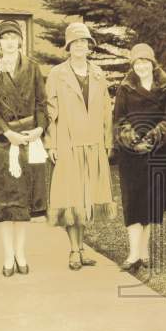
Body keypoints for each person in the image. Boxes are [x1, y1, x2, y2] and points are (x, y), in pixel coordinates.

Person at [45, 22, 116, 271]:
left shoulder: (98, 74)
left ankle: (82, 248)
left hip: (93, 143)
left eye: (84, 43)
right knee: (70, 198)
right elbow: (50, 112)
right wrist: (51, 143)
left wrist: (108, 142)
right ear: (68, 47)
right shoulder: (57, 75)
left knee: (87, 199)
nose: (80, 47)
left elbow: (107, 110)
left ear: (89, 47)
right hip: (68, 143)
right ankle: (73, 251)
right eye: (75, 43)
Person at [0, 20, 48, 276]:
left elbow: (42, 103)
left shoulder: (32, 68)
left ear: (20, 41)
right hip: (2, 143)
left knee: (23, 205)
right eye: (4, 38)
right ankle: (8, 256)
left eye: (13, 37)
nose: (9, 42)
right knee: (6, 205)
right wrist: (7, 133)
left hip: (29, 139)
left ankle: (21, 253)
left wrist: (39, 129)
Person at [113, 43, 166, 274]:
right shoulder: (125, 88)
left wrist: (151, 139)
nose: (141, 66)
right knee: (133, 200)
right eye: (137, 62)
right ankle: (133, 253)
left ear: (152, 62)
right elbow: (119, 119)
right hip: (130, 154)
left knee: (150, 201)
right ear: (133, 65)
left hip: (157, 151)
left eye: (145, 62)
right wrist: (133, 140)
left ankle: (145, 251)